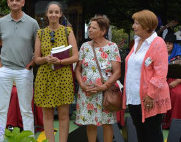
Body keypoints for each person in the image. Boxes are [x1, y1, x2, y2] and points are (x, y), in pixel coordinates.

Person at [0, 0, 40, 139]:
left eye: (17, 0)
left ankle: (29, 139)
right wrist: (0, 67)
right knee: (1, 108)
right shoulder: (0, 23)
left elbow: (38, 49)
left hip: (24, 70)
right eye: (11, 0)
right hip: (5, 69)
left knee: (26, 109)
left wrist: (30, 66)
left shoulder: (33, 23)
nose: (14, 2)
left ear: (23, 3)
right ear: (8, 2)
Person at [122, 9, 171, 142]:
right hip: (134, 97)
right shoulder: (137, 42)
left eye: (137, 23)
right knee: (141, 133)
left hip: (150, 98)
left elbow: (161, 73)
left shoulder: (158, 43)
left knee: (153, 134)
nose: (133, 26)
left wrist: (150, 95)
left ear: (147, 26)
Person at [34, 1, 78, 142]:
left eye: (56, 12)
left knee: (63, 114)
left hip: (63, 75)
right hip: (45, 76)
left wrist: (59, 62)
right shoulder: (40, 33)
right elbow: (36, 59)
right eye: (51, 12)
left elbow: (76, 56)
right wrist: (46, 59)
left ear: (60, 14)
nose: (53, 14)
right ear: (47, 14)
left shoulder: (67, 31)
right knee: (47, 115)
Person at [75, 15, 121, 142]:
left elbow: (117, 72)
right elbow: (78, 69)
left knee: (107, 123)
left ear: (103, 31)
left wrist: (104, 86)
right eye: (89, 27)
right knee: (90, 123)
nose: (89, 29)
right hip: (87, 91)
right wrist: (81, 84)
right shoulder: (84, 47)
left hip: (105, 92)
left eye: (93, 28)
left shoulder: (112, 47)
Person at [162, 32, 181, 128]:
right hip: (162, 81)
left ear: (174, 45)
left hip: (177, 81)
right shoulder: (160, 55)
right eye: (165, 43)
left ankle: (175, 124)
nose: (167, 45)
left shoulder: (179, 56)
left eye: (169, 43)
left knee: (178, 94)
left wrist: (177, 81)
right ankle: (163, 123)